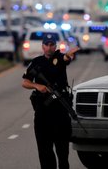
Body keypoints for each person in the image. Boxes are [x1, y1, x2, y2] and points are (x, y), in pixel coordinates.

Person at [22, 34, 80, 169]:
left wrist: (68, 55)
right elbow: (25, 82)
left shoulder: (60, 58)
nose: (49, 48)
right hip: (43, 111)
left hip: (60, 111)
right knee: (44, 151)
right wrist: (37, 86)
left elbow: (65, 59)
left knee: (62, 152)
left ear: (56, 46)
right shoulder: (36, 62)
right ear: (42, 46)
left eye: (52, 45)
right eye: (46, 45)